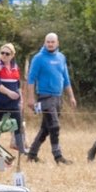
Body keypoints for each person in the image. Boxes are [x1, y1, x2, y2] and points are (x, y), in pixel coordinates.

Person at [25, 32, 76, 164]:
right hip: (45, 97)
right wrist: (30, 99)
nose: (50, 44)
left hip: (58, 97)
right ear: (44, 42)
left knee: (46, 128)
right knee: (54, 126)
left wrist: (71, 96)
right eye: (48, 41)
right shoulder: (38, 58)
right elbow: (31, 79)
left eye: (53, 42)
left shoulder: (61, 57)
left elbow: (66, 79)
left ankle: (32, 154)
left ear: (57, 43)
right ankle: (58, 156)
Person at [0, 42, 25, 152]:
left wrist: (21, 99)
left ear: (12, 55)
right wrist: (9, 93)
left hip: (13, 104)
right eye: (2, 53)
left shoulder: (15, 67)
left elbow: (18, 84)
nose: (4, 55)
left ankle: (21, 148)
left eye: (7, 53)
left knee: (18, 125)